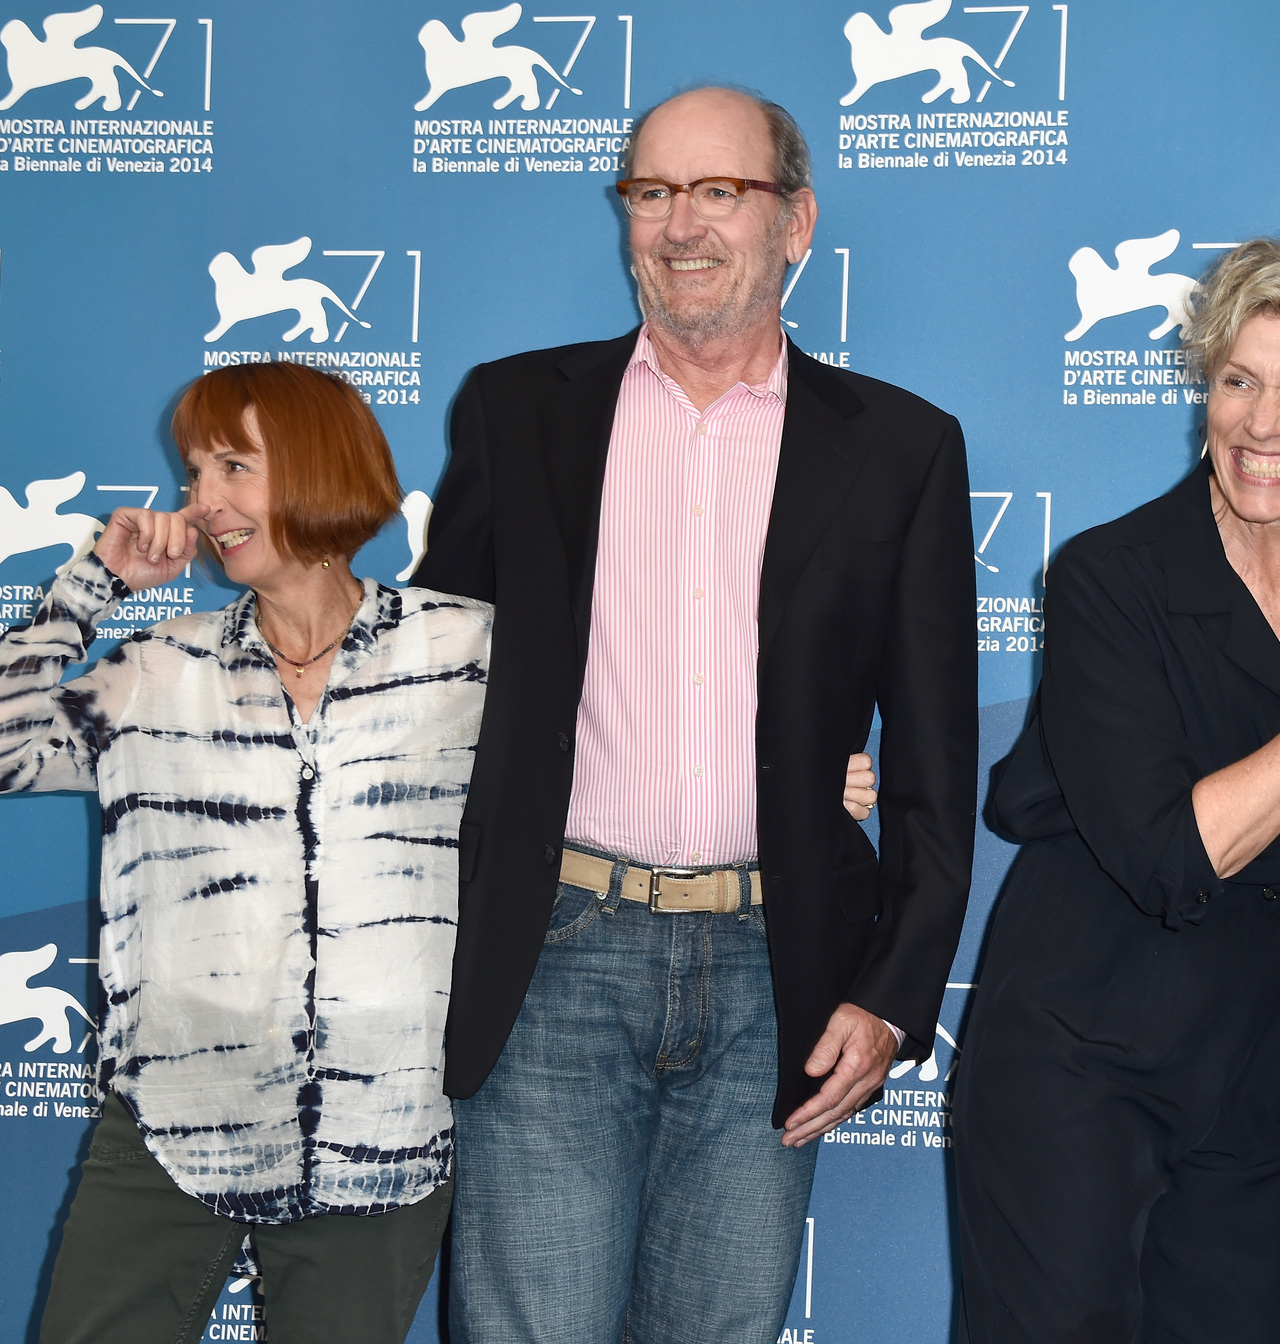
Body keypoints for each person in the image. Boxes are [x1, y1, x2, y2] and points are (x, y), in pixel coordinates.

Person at [408, 85, 978, 1343]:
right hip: (549, 956)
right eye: (651, 191)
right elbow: (434, 689)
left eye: (719, 191)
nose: (680, 225)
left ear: (796, 222)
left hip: (779, 968)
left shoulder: (902, 446)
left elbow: (939, 764)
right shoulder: (517, 411)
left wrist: (890, 993)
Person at [949, 231, 1280, 1342]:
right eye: (1237, 381)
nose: (1258, 424)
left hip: (1279, 1066)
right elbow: (1172, 854)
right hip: (1083, 1049)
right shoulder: (1112, 574)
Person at [0, 362, 490, 1344]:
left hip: (384, 1128)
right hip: (170, 1122)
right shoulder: (161, 669)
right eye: (195, 474)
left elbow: (618, 760)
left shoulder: (462, 650)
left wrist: (802, 785)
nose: (203, 503)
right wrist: (90, 588)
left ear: (321, 468)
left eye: (234, 465)